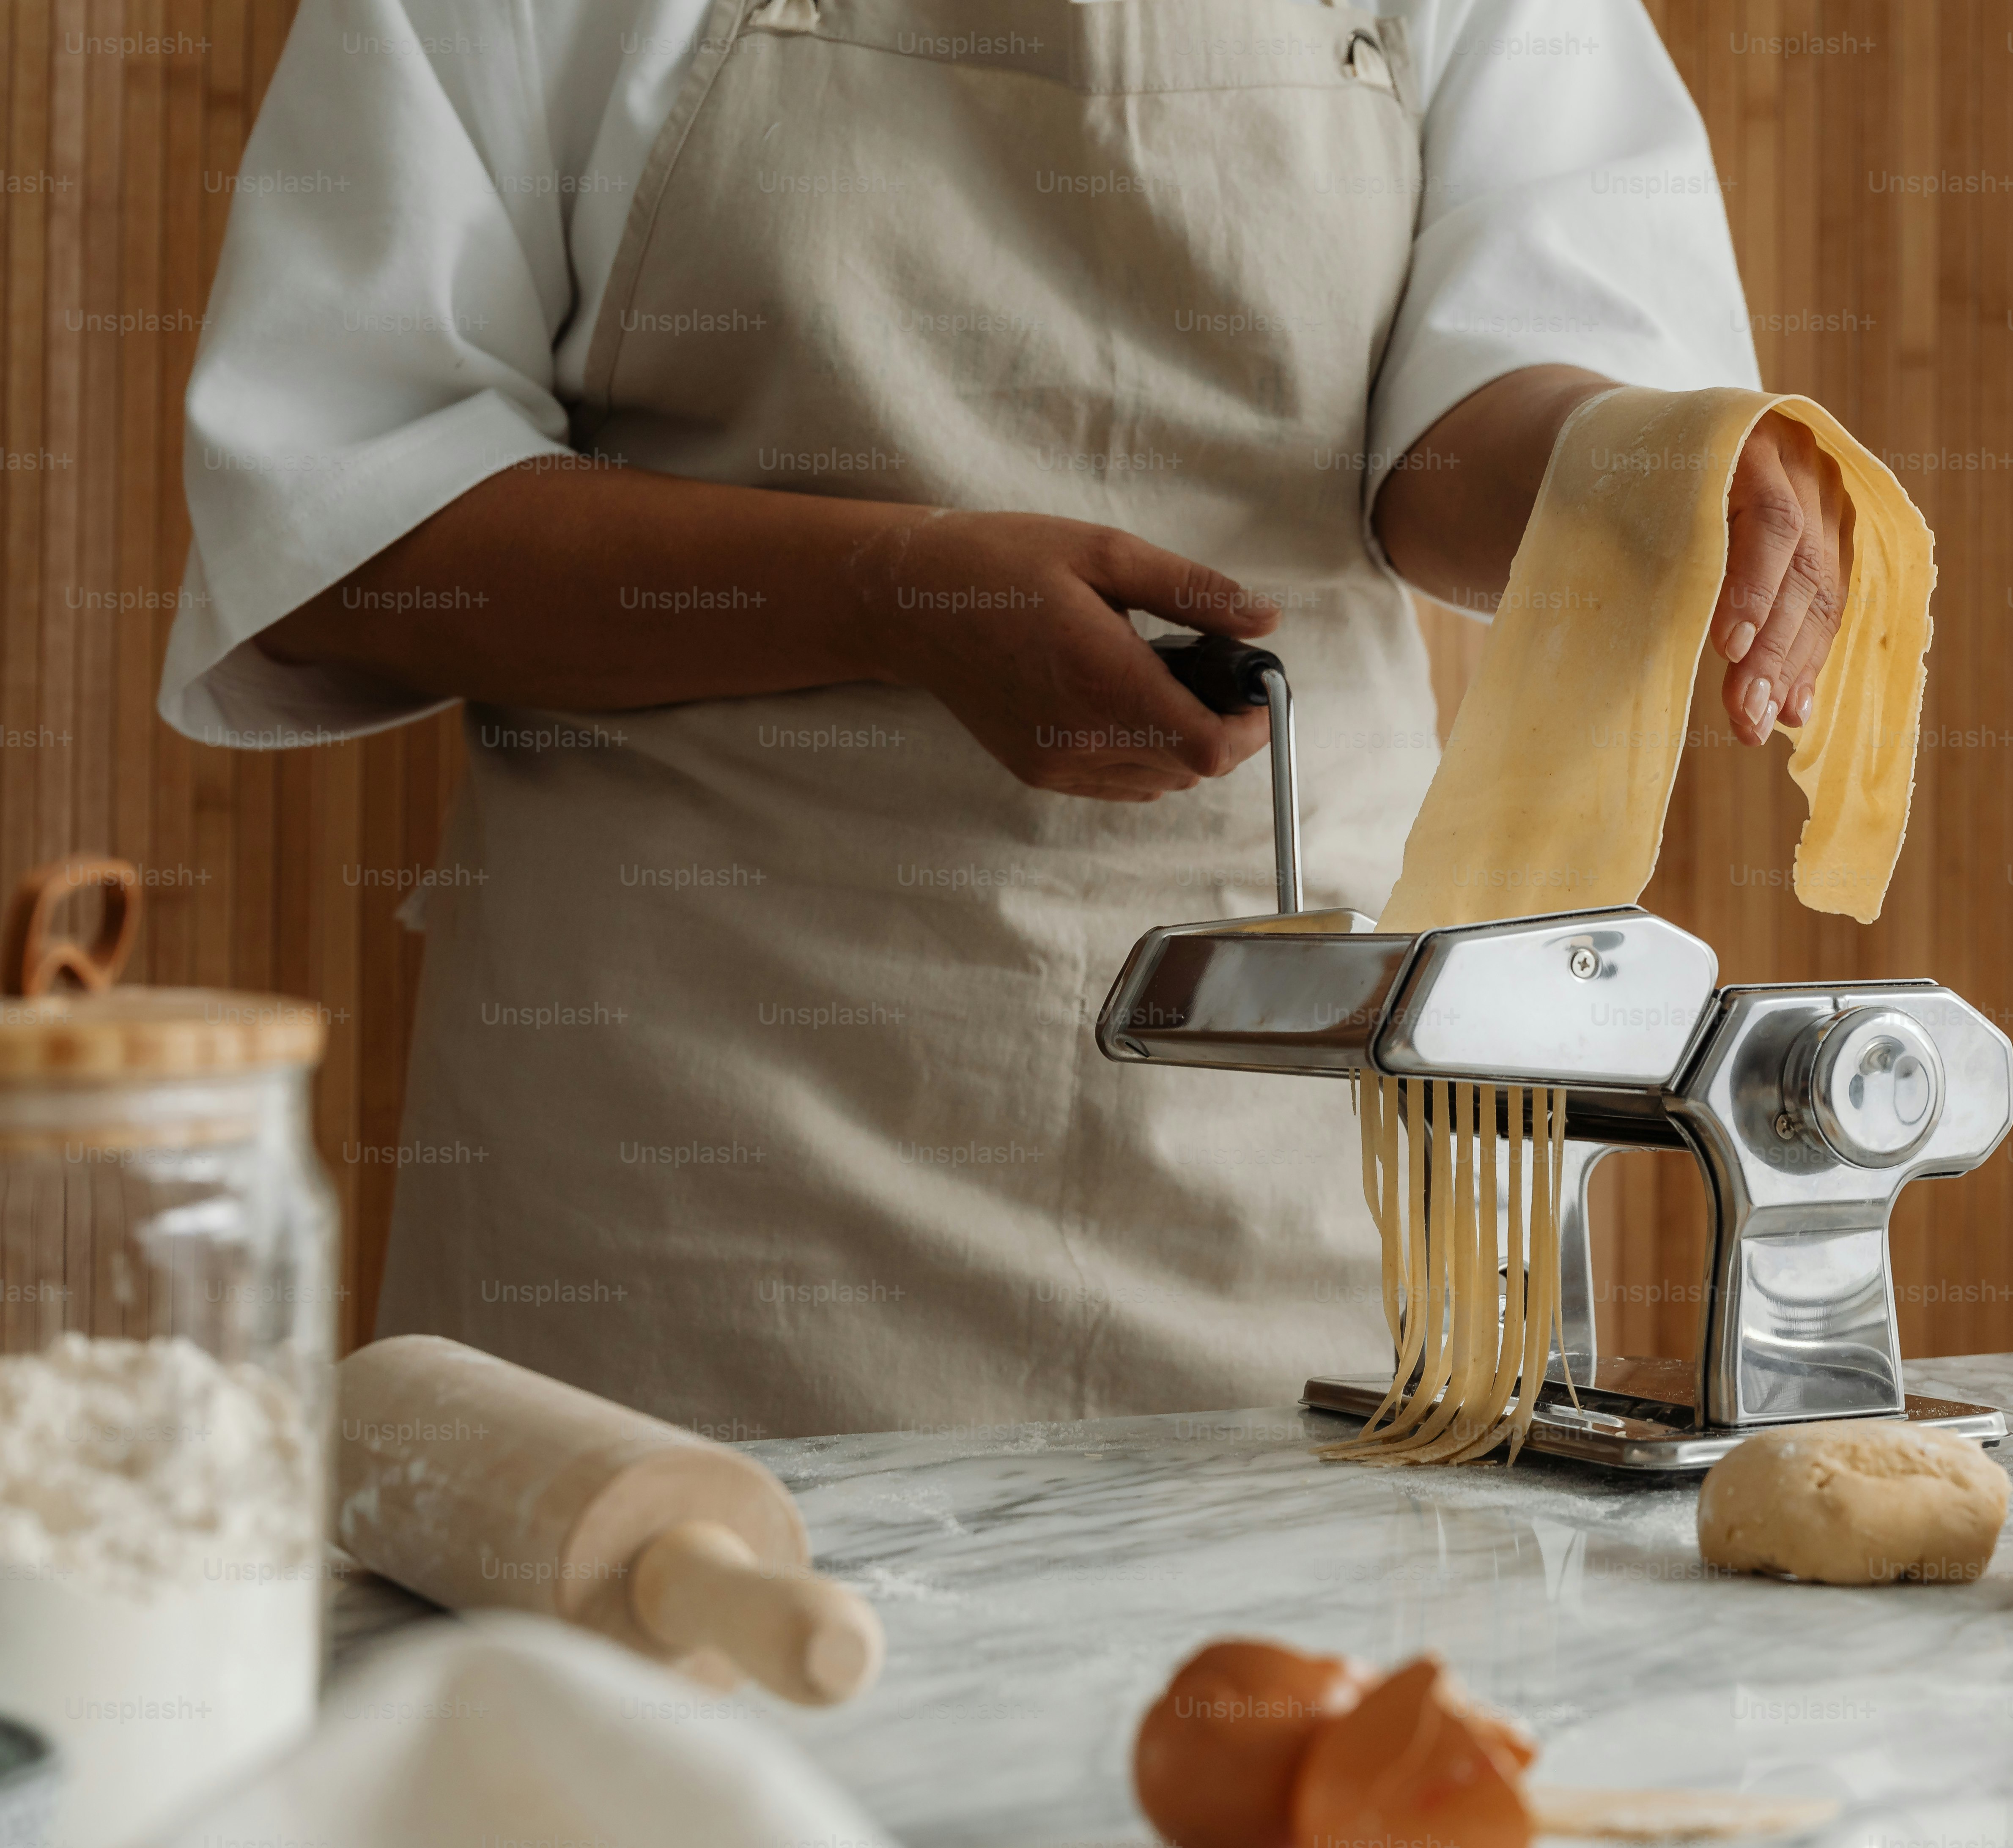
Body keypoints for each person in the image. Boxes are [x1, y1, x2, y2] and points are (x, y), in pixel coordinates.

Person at [160, 0, 1850, 1437]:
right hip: (685, 1186)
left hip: (1306, 1161)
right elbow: (342, 531)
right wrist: (879, 595)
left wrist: (1638, 476)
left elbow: (1462, 427)